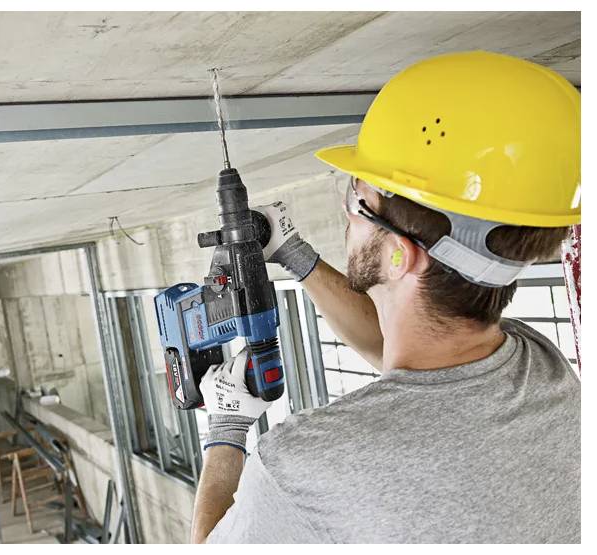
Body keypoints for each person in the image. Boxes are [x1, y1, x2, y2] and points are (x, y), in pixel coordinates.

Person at [191, 51, 581, 544]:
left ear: (399, 257)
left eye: (358, 200)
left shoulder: (308, 463)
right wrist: (295, 256)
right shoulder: (540, 370)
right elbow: (404, 359)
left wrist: (225, 428)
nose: (345, 210)